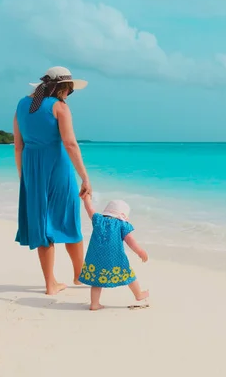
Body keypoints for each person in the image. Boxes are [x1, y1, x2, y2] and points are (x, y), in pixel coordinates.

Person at [13, 66, 92, 295]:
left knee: (42, 223)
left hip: (31, 169)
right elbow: (70, 144)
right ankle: (79, 274)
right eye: (69, 89)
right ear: (61, 87)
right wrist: (85, 177)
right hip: (57, 168)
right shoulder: (59, 107)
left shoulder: (21, 105)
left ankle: (50, 284)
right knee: (68, 218)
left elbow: (19, 146)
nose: (69, 94)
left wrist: (23, 176)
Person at [78, 196, 149, 310]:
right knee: (129, 275)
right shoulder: (122, 224)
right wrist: (140, 251)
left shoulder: (98, 220)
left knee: (97, 281)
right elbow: (130, 240)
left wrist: (86, 199)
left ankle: (94, 304)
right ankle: (139, 294)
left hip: (95, 258)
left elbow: (89, 209)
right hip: (115, 258)